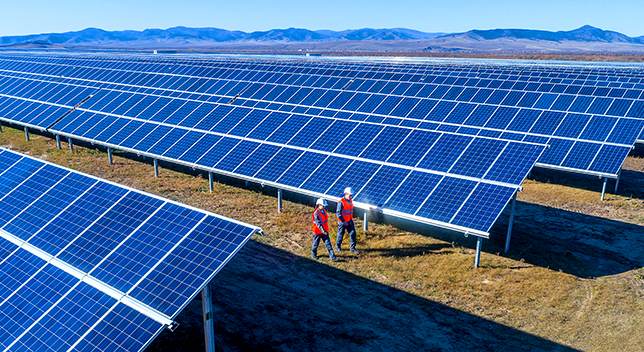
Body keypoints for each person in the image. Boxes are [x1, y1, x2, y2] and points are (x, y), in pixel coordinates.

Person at [335, 187, 359, 254]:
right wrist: (343, 221)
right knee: (340, 235)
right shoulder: (341, 202)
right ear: (346, 194)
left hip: (350, 221)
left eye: (351, 195)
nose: (351, 196)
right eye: (350, 195)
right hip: (343, 222)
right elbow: (338, 213)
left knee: (353, 234)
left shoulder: (350, 200)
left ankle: (352, 248)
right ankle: (338, 247)